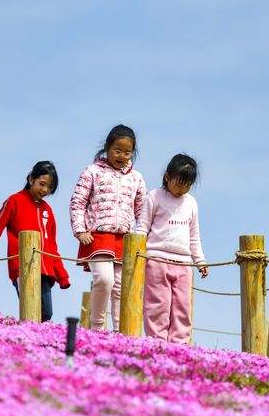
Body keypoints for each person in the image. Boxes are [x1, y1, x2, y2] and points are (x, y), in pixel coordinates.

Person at [0, 161, 70, 321]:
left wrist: (62, 276)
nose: (44, 190)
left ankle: (37, 343)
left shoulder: (48, 211)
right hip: (22, 267)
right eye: (42, 184)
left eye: (49, 188)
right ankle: (27, 341)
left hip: (46, 271)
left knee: (46, 314)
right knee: (32, 310)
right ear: (31, 179)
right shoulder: (14, 201)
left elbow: (51, 246)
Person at [69, 124, 146, 331]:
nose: (121, 155)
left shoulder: (136, 177)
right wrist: (80, 230)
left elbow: (142, 211)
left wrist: (142, 238)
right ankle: (97, 328)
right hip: (98, 236)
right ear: (107, 148)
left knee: (122, 287)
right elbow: (77, 202)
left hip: (126, 240)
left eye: (127, 152)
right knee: (104, 280)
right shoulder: (92, 171)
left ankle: (121, 332)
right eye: (117, 150)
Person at [133, 153, 208, 343]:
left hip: (183, 264)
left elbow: (194, 236)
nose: (182, 188)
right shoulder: (154, 196)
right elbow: (142, 227)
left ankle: (179, 345)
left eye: (187, 184)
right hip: (157, 261)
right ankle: (157, 342)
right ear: (167, 176)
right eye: (179, 182)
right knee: (158, 304)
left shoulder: (191, 203)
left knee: (183, 306)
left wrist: (200, 261)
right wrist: (137, 255)